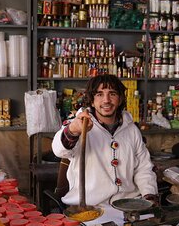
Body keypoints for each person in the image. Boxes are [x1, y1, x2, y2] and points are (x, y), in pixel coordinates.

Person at [52, 74, 158, 207]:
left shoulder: (131, 129)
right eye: (99, 94)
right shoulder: (80, 124)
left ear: (120, 99)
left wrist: (149, 196)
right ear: (91, 100)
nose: (106, 100)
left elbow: (143, 168)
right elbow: (58, 150)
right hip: (90, 207)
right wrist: (73, 130)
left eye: (112, 94)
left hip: (128, 204)